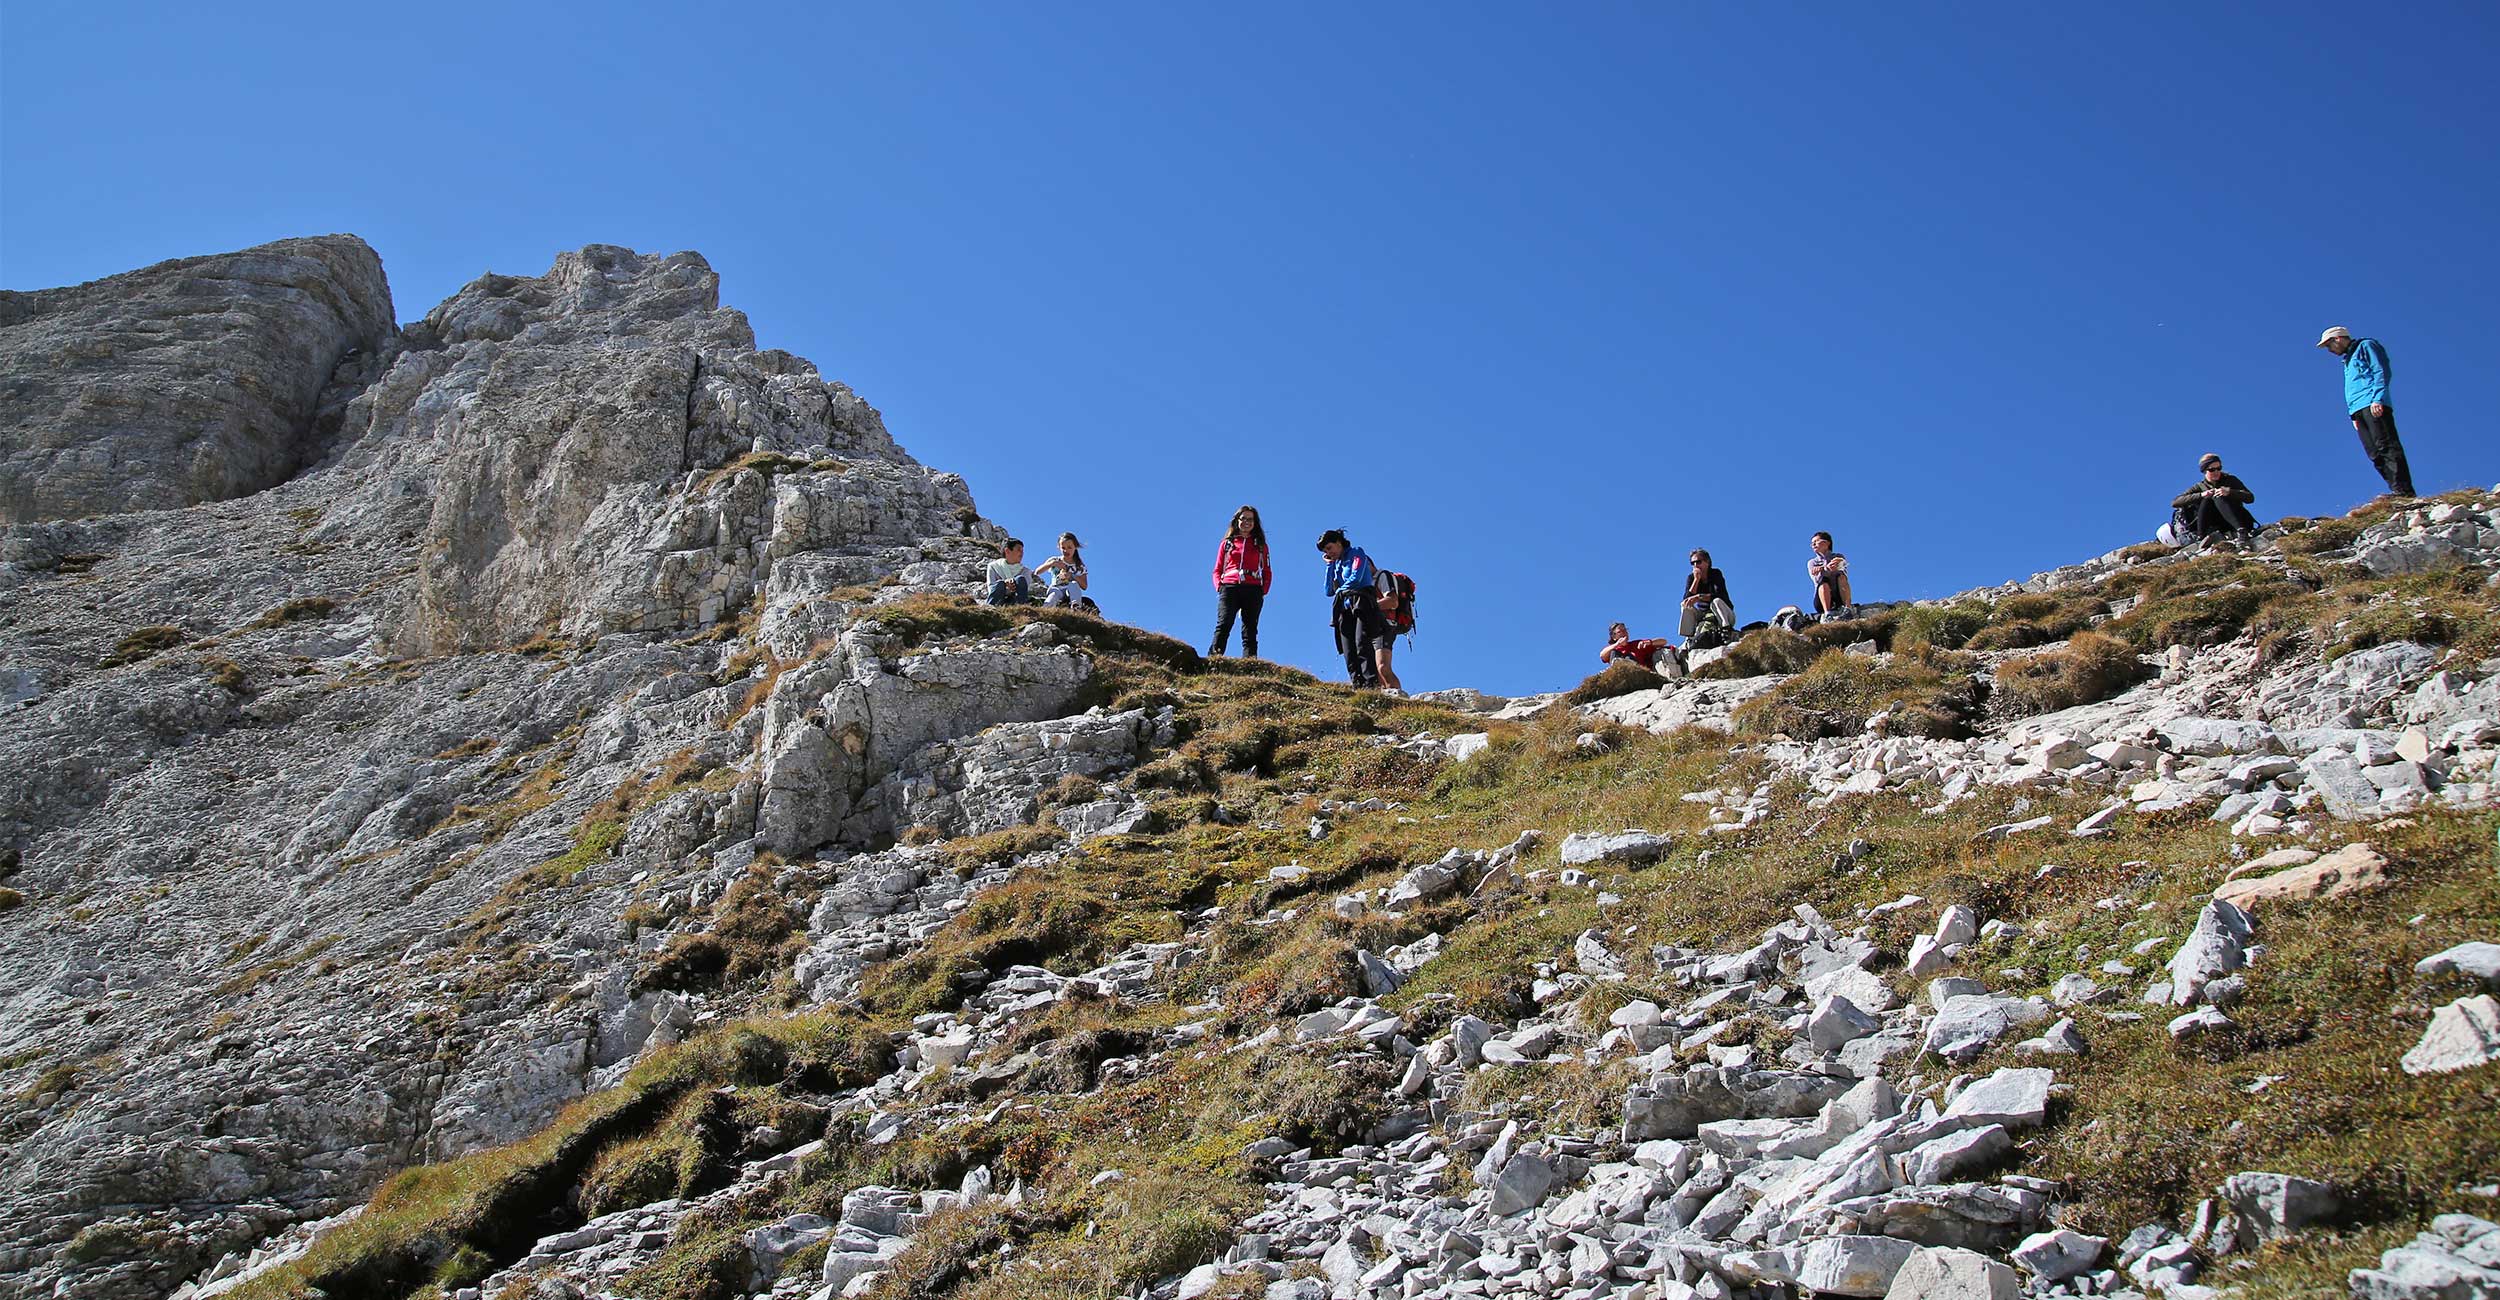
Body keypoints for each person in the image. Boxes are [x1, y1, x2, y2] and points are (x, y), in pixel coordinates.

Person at [2318, 326, 2416, 497]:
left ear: (2338, 338)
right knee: (2374, 453)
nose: (2329, 350)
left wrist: (2378, 398)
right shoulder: (2347, 360)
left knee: (2386, 446)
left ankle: (2404, 491)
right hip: (2358, 409)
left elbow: (2380, 370)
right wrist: (2353, 415)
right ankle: (2395, 489)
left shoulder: (2366, 346)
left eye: (2329, 345)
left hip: (2372, 402)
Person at [1318, 528, 1396, 691]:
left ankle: (1371, 686)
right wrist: (1330, 566)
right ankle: (1358, 687)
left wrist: (1340, 590)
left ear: (1339, 543)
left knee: (1362, 644)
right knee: (1348, 649)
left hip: (1362, 602)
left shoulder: (1356, 553)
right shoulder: (1336, 563)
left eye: (1329, 548)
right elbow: (1328, 591)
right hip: (1344, 608)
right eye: (1325, 551)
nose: (1328, 552)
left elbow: (1356, 576)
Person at [1209, 505, 1273, 658]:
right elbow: (1217, 569)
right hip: (1229, 587)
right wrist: (1219, 586)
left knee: (1250, 629)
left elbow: (1267, 570)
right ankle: (1213, 661)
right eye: (1243, 518)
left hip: (1253, 589)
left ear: (1255, 523)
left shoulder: (1261, 545)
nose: (1247, 522)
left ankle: (1250, 663)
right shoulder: (1227, 544)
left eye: (1250, 519)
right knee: (1224, 624)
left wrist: (1263, 590)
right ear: (1237, 520)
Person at [2171, 452, 2258, 547]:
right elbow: (2175, 502)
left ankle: (2241, 532)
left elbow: (2250, 498)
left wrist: (2230, 492)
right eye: (2212, 469)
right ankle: (2201, 537)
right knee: (2208, 499)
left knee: (2218, 497)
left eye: (2219, 468)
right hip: (2216, 524)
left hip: (2237, 518)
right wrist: (2201, 495)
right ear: (2204, 471)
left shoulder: (2231, 480)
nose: (2216, 472)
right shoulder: (2199, 487)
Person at [1680, 549, 1736, 641]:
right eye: (1692, 563)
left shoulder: (1715, 574)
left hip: (1723, 613)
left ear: (1707, 562)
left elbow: (1720, 595)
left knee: (1716, 601)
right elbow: (1686, 599)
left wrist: (1699, 597)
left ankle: (1725, 629)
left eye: (1698, 562)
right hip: (1703, 615)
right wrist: (1696, 580)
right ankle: (1689, 636)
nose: (1695, 565)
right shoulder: (1691, 578)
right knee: (1684, 605)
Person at [1035, 532, 1090, 608]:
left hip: (1070, 592)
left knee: (1073, 584)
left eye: (1069, 547)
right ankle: (1045, 609)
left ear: (1075, 547)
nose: (1066, 551)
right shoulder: (1055, 560)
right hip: (1056, 588)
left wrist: (1072, 576)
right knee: (1054, 594)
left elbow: (1084, 586)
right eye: (1063, 548)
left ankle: (1075, 606)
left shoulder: (1080, 566)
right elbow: (1037, 572)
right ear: (1059, 547)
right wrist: (1052, 564)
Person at [1806, 532, 1852, 619]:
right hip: (1821, 600)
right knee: (1823, 583)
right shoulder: (1812, 562)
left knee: (1841, 577)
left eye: (1816, 541)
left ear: (1826, 543)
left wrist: (1827, 568)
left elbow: (1843, 569)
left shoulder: (1838, 556)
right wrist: (1827, 568)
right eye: (1812, 543)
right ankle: (1827, 613)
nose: (1813, 545)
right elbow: (1816, 579)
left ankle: (1848, 608)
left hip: (1839, 596)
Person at [1600, 622, 1673, 669]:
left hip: (1638, 672)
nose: (1624, 633)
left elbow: (1664, 641)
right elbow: (1602, 655)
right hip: (1621, 673)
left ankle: (1630, 664)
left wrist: (1650, 642)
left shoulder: (1636, 644)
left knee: (1629, 656)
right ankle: (1619, 665)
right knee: (1614, 653)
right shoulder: (1614, 649)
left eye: (1625, 630)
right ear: (1614, 637)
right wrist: (1617, 644)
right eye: (1620, 631)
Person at [984, 538, 1032, 606]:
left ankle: (1022, 607)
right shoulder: (993, 566)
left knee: (1020, 579)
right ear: (1007, 551)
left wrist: (1013, 586)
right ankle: (990, 608)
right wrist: (1005, 584)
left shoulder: (1025, 571)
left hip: (1015, 600)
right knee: (1000, 583)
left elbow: (1025, 589)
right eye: (1019, 549)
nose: (1022, 553)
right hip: (998, 600)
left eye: (1022, 550)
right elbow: (991, 587)